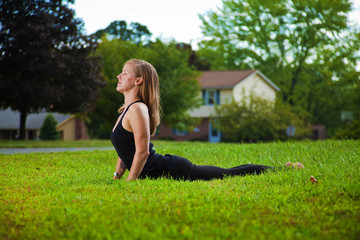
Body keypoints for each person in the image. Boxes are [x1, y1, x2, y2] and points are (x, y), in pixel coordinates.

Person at [111, 59, 303, 182]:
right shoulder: (126, 110)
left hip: (170, 169)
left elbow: (142, 152)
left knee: (227, 175)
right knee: (227, 172)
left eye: (125, 73)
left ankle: (283, 170)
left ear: (138, 81)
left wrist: (131, 182)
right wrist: (117, 175)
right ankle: (282, 169)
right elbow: (125, 149)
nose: (119, 76)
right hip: (159, 169)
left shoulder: (137, 108)